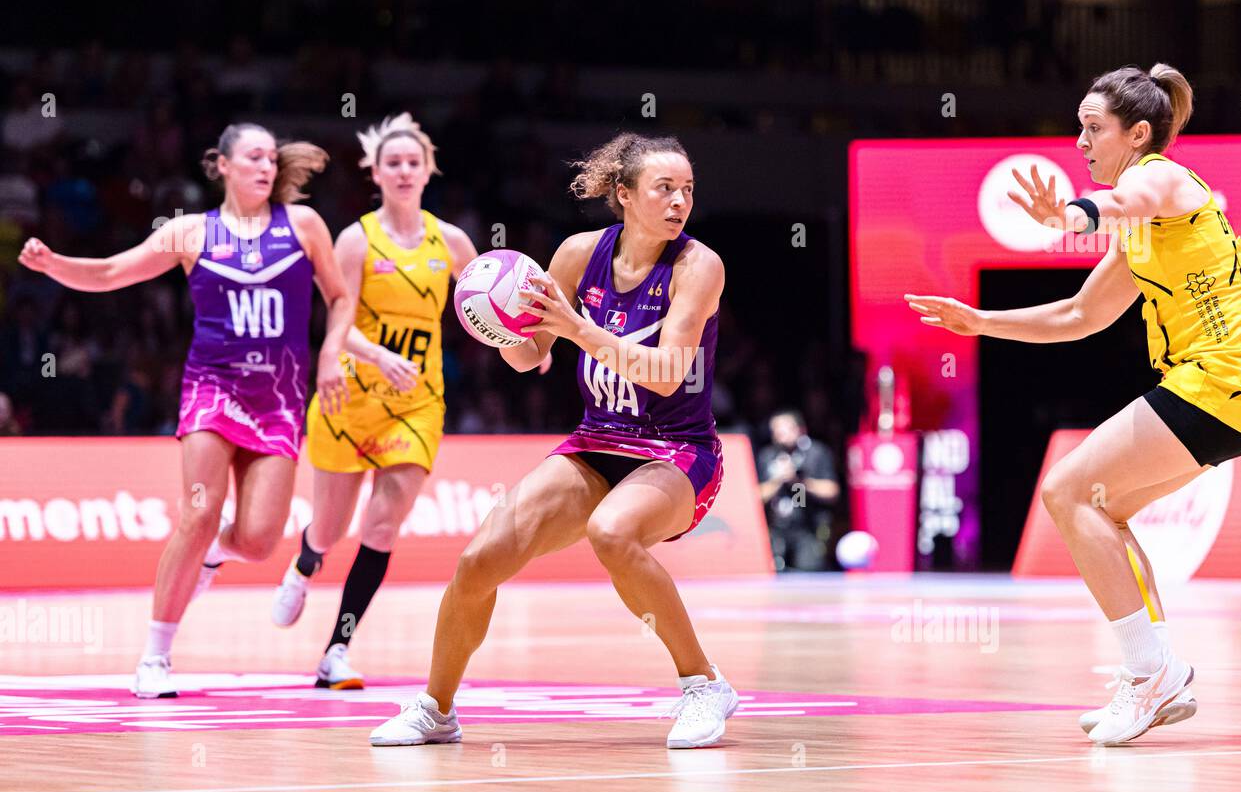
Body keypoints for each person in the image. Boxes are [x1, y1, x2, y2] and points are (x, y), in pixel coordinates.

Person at [905, 63, 1241, 745]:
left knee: (1065, 489)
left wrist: (1069, 214)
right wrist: (981, 320)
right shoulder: (1142, 228)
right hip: (1240, 392)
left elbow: (1115, 200)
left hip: (1221, 378)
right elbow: (1081, 315)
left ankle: (1151, 674)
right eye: (1078, 128)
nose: (1080, 141)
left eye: (1093, 128)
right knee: (1101, 508)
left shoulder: (1161, 178)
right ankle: (1156, 672)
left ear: (1137, 133)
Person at [370, 133, 735, 749]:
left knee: (612, 531)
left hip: (679, 449)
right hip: (598, 440)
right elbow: (529, 358)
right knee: (477, 561)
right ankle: (436, 708)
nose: (679, 203)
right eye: (664, 189)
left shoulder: (699, 265)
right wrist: (493, 322)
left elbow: (667, 371)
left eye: (688, 191)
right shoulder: (576, 254)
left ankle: (703, 684)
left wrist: (578, 328)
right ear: (623, 195)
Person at [20, 122, 353, 697]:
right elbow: (109, 272)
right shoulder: (190, 233)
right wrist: (55, 264)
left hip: (278, 401)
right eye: (252, 157)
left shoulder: (303, 225)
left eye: (271, 159)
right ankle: (155, 656)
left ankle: (214, 556)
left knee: (257, 541)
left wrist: (331, 355)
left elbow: (341, 296)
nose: (265, 167)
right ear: (220, 165)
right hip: (212, 390)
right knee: (198, 513)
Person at [269, 114, 486, 689]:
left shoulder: (453, 242)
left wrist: (522, 342)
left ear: (428, 170)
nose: (405, 170)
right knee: (329, 528)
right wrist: (375, 356)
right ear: (376, 171)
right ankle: (306, 561)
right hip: (351, 396)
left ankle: (336, 650)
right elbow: (338, 320)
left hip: (418, 402)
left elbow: (486, 306)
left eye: (414, 162)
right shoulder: (357, 239)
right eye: (394, 162)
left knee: (383, 525)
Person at [757, 410, 840, 570]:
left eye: (786, 429)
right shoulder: (768, 456)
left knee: (809, 568)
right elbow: (756, 495)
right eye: (776, 431)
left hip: (809, 527)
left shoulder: (816, 453)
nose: (781, 435)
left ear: (801, 429)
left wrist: (799, 481)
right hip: (777, 529)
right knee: (772, 569)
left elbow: (832, 491)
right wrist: (779, 480)